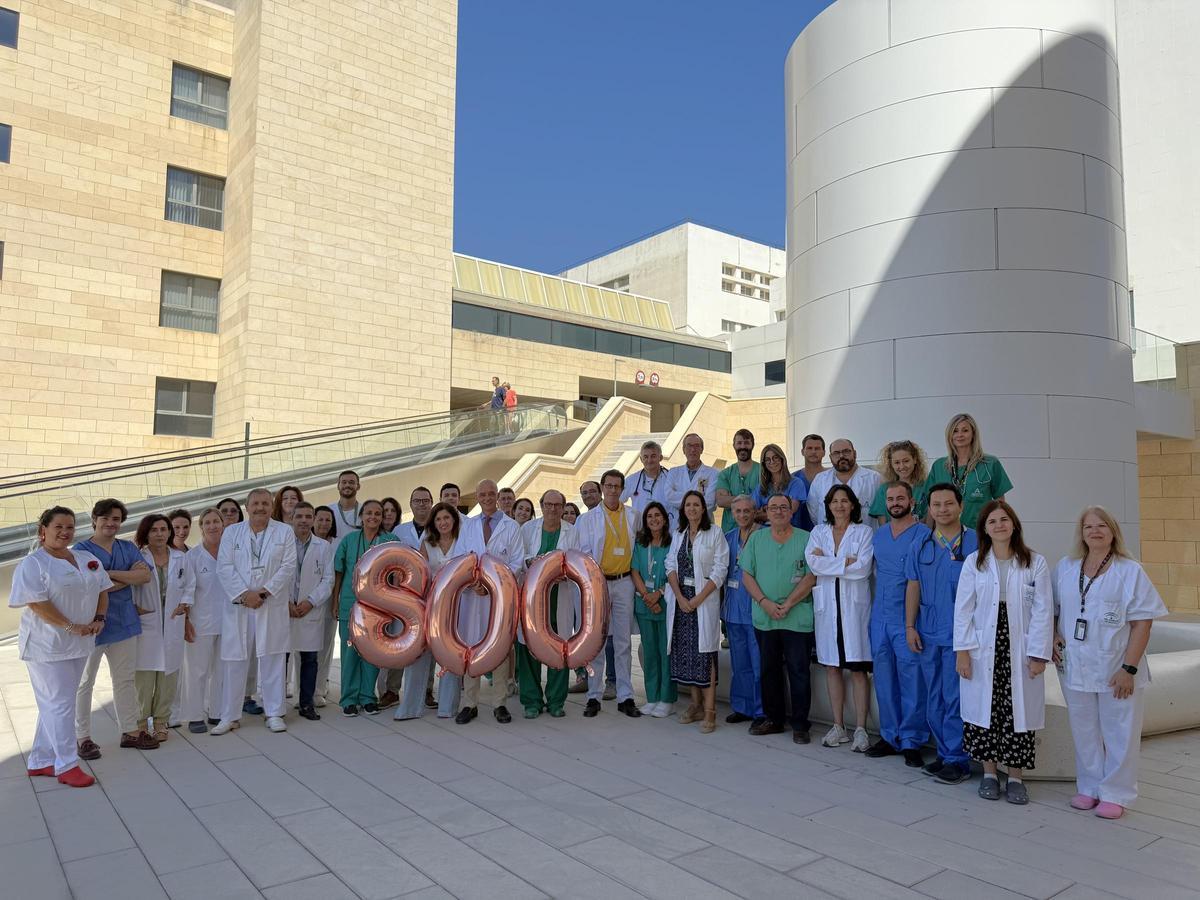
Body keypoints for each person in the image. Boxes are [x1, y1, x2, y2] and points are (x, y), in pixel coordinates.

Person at [1052, 507, 1167, 819]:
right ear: (1082, 533)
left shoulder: (1129, 571)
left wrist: (1128, 669)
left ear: (1113, 530)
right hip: (1076, 666)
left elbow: (1143, 623)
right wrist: (1052, 636)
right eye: (1089, 526)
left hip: (1117, 668)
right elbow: (1052, 610)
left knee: (1120, 731)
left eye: (1102, 525)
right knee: (1084, 729)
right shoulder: (1066, 567)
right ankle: (1089, 788)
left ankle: (1116, 793)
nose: (1095, 531)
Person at [954, 500, 1053, 804]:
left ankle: (1016, 777)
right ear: (984, 528)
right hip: (984, 645)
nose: (999, 525)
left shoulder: (1034, 562)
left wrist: (1038, 654)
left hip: (1020, 645)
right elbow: (963, 609)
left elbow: (1043, 610)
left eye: (1004, 519)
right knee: (985, 710)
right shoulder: (975, 561)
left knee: (1016, 712)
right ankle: (988, 774)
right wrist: (963, 651)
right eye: (992, 521)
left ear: (1014, 524)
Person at [11, 507, 111, 787]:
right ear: (43, 530)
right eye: (58, 527)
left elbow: (103, 589)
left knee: (57, 704)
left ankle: (41, 761)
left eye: (69, 527)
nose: (65, 532)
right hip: (47, 646)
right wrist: (70, 626)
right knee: (59, 705)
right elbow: (36, 602)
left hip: (79, 643)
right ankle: (66, 765)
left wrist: (99, 618)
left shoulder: (86, 558)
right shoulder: (34, 564)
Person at [904, 483, 976, 783]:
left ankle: (959, 759)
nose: (943, 509)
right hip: (929, 631)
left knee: (955, 696)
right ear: (929, 509)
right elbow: (913, 584)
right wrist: (909, 626)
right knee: (934, 695)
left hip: (963, 635)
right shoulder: (921, 543)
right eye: (937, 504)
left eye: (948, 504)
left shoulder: (976, 541)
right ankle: (945, 754)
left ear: (960, 506)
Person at [212, 488, 298, 735]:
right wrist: (245, 594)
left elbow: (288, 566)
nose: (260, 507)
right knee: (234, 660)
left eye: (265, 503)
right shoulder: (231, 532)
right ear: (246, 507)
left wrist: (263, 593)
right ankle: (229, 715)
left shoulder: (284, 531)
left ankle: (274, 713)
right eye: (255, 503)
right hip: (240, 606)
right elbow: (224, 566)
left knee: (272, 658)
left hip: (269, 604)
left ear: (272, 507)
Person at [75, 498, 156, 756]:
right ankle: (82, 737)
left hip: (124, 622)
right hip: (92, 625)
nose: (111, 523)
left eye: (116, 519)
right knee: (83, 682)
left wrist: (106, 576)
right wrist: (124, 576)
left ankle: (130, 731)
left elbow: (144, 576)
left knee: (124, 680)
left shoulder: (126, 547)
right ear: (94, 520)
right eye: (106, 518)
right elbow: (87, 586)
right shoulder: (80, 551)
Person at [740, 495, 818, 743]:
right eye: (773, 507)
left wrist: (788, 603)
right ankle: (774, 719)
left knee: (799, 670)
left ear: (791, 511)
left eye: (784, 507)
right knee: (768, 670)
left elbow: (811, 575)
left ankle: (800, 724)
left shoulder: (807, 539)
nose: (779, 511)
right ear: (766, 512)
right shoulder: (757, 539)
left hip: (797, 616)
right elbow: (747, 575)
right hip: (765, 616)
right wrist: (765, 603)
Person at [866, 482, 931, 766]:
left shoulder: (924, 535)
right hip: (880, 616)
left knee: (911, 679)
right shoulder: (878, 536)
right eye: (890, 499)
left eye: (900, 498)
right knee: (884, 679)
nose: (894, 503)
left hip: (908, 618)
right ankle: (889, 735)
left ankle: (912, 740)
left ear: (912, 501)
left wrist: (912, 622)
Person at [397, 502, 481, 720]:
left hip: (457, 605)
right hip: (430, 604)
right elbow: (421, 573)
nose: (443, 523)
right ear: (433, 523)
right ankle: (410, 707)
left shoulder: (464, 543)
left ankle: (447, 707)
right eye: (438, 519)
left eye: (447, 518)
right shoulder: (427, 542)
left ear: (454, 520)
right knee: (419, 655)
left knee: (450, 653)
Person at [806, 484, 874, 752]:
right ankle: (838, 727)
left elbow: (863, 569)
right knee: (832, 668)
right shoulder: (819, 532)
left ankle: (860, 729)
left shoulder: (864, 532)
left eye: (845, 501)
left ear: (853, 505)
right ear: (828, 505)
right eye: (835, 501)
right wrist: (844, 561)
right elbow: (812, 563)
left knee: (858, 670)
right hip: (827, 609)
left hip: (854, 610)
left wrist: (831, 562)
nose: (840, 506)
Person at [574, 469, 641, 718]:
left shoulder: (633, 516)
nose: (613, 490)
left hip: (624, 582)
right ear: (602, 488)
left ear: (622, 489)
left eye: (617, 486)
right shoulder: (587, 519)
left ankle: (625, 695)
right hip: (598, 583)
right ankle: (594, 695)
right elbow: (581, 553)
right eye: (608, 486)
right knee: (596, 642)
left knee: (623, 641)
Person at [456, 479, 523, 725]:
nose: (486, 497)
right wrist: (473, 583)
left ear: (497, 495)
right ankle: (469, 703)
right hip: (473, 596)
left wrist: (493, 584)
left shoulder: (511, 526)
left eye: (490, 493)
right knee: (471, 647)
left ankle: (500, 703)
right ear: (477, 496)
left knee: (500, 647)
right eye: (482, 494)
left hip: (499, 597)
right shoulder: (469, 526)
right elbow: (462, 559)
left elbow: (516, 563)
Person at [665, 490, 730, 734]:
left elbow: (720, 569)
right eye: (688, 505)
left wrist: (698, 600)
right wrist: (681, 597)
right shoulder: (679, 534)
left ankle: (710, 710)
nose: (692, 508)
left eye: (696, 504)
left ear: (704, 509)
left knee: (706, 655)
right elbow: (670, 565)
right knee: (687, 654)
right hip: (682, 602)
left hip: (704, 601)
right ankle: (695, 705)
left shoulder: (715, 533)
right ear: (683, 509)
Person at [329, 499, 398, 717]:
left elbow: (397, 574)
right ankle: (349, 698)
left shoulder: (390, 540)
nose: (373, 517)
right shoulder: (349, 540)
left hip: (379, 607)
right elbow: (338, 572)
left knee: (373, 654)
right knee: (350, 652)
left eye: (378, 514)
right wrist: (335, 601)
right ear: (361, 516)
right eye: (369, 513)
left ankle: (368, 697)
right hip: (351, 604)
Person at [132, 514, 194, 744]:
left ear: (169, 532)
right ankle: (139, 724)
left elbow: (191, 584)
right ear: (145, 533)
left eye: (163, 529)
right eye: (154, 530)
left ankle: (160, 721)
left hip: (173, 621)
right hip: (146, 623)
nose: (159, 533)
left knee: (168, 676)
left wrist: (184, 603)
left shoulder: (180, 557)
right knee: (144, 678)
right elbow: (130, 586)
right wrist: (134, 607)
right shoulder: (138, 557)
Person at [516, 489, 578, 718]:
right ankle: (531, 700)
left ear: (563, 508)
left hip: (559, 596)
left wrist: (564, 570)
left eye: (557, 505)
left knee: (560, 647)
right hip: (533, 598)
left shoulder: (572, 532)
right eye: (548, 504)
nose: (553, 509)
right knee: (529, 647)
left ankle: (556, 701)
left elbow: (577, 559)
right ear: (541, 506)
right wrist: (529, 561)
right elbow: (518, 557)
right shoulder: (527, 529)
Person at [926, 413, 1013, 530]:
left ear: (973, 434)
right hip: (945, 535)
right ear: (949, 435)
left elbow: (1000, 502)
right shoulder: (939, 466)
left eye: (965, 430)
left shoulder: (990, 464)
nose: (960, 435)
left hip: (979, 533)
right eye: (955, 431)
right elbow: (930, 504)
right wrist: (928, 533)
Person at [180, 508, 225, 733]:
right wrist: (186, 620)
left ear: (223, 524)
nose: (212, 526)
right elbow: (186, 591)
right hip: (201, 621)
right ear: (202, 527)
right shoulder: (193, 557)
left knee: (222, 669)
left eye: (216, 521)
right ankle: (195, 715)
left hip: (229, 622)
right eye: (207, 522)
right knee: (197, 671)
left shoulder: (232, 553)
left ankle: (217, 712)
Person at [288, 502, 334, 721]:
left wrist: (310, 602)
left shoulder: (323, 547)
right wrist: (286, 602)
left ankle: (307, 704)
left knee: (310, 659)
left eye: (308, 516)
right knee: (282, 659)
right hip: (285, 610)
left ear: (313, 519)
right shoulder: (283, 544)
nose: (304, 520)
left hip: (309, 610)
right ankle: (276, 706)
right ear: (292, 518)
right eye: (300, 516)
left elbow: (328, 580)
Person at [722, 496, 764, 727]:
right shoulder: (728, 538)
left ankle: (760, 711)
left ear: (754, 512)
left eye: (747, 511)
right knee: (740, 664)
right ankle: (742, 707)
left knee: (759, 664)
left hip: (757, 610)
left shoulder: (764, 536)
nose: (742, 515)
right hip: (733, 610)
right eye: (737, 511)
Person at [631, 501, 676, 718]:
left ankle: (666, 699)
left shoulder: (672, 543)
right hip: (644, 604)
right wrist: (648, 598)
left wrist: (658, 594)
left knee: (665, 652)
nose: (654, 519)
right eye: (649, 516)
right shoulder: (640, 544)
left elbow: (675, 572)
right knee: (649, 652)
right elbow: (635, 572)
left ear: (665, 519)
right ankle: (652, 697)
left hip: (665, 603)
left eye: (657, 515)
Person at [806, 439, 882, 529]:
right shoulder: (820, 480)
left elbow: (882, 512)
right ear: (830, 457)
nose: (841, 456)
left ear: (855, 453)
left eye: (846, 451)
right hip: (828, 539)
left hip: (866, 540)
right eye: (836, 453)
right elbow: (813, 512)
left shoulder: (874, 478)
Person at [311, 505, 339, 708]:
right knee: (302, 650)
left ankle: (319, 690)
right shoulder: (303, 543)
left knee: (325, 649)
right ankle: (303, 690)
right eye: (320, 519)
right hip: (305, 604)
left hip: (329, 603)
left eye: (327, 520)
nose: (323, 523)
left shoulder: (338, 544)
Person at [663, 433, 718, 527]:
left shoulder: (713, 473)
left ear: (702, 450)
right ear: (683, 450)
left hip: (703, 526)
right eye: (689, 446)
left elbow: (710, 502)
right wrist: (698, 499)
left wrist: (681, 497)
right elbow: (669, 497)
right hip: (678, 525)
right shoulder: (673, 472)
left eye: (697, 446)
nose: (693, 449)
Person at [870, 441, 929, 523]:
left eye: (906, 461)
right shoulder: (884, 490)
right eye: (897, 462)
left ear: (915, 460)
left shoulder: (926, 486)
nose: (902, 466)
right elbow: (882, 525)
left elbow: (929, 519)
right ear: (891, 464)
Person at [752, 443, 807, 527]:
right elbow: (752, 513)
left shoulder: (796, 483)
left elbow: (789, 511)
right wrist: (779, 511)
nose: (772, 462)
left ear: (782, 459)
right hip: (765, 533)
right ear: (764, 464)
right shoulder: (761, 487)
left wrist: (764, 511)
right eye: (767, 459)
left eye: (775, 458)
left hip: (790, 532)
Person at [715, 429, 760, 533]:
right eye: (739, 443)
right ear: (734, 445)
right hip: (730, 531)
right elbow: (721, 501)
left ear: (752, 445)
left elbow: (767, 500)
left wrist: (731, 499)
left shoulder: (763, 472)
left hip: (756, 530)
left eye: (746, 443)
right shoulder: (725, 474)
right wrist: (753, 498)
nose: (743, 447)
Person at [622, 440, 670, 521]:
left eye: (653, 456)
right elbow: (617, 501)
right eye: (645, 457)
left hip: (667, 527)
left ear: (660, 458)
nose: (649, 460)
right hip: (641, 529)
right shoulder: (631, 480)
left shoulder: (671, 478)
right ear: (641, 459)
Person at [332, 470, 362, 542]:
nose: (347, 485)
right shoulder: (329, 510)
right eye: (344, 482)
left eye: (351, 482)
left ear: (358, 486)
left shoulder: (365, 510)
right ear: (338, 486)